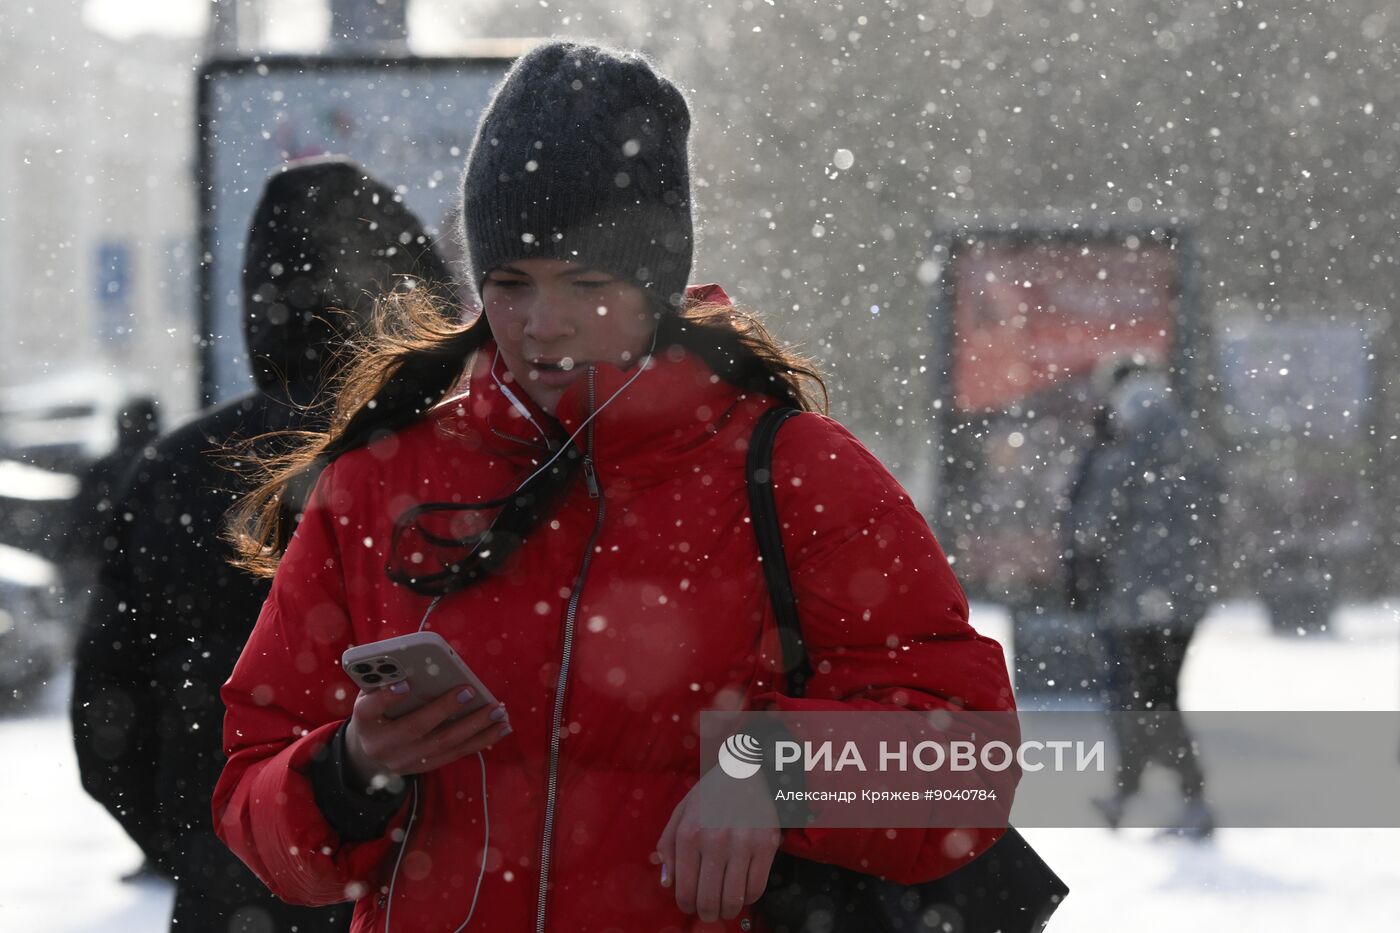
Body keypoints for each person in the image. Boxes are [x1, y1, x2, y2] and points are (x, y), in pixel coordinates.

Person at [213, 42, 1016, 931]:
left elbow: (971, 763)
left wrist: (770, 774)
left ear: (656, 282)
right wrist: (351, 767)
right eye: (510, 284)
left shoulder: (796, 472)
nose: (542, 323)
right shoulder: (377, 483)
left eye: (585, 283)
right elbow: (251, 791)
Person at [71, 156, 450, 932]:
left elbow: (108, 719)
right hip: (427, 887)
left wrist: (205, 845)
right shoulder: (452, 456)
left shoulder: (178, 468)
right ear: (414, 289)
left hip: (235, 891)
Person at [1064, 353, 1222, 839]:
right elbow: (1217, 519)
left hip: (1136, 601)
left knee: (1147, 698)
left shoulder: (1121, 459)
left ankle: (1188, 798)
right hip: (1187, 600)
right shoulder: (1196, 451)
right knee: (1158, 695)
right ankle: (1130, 792)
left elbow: (1089, 529)